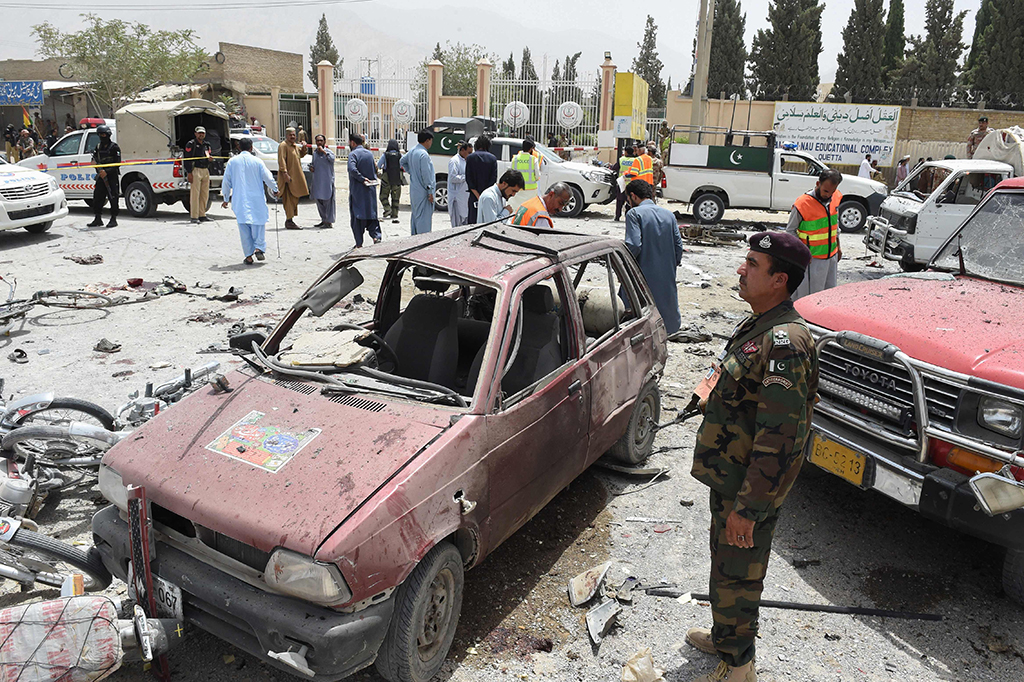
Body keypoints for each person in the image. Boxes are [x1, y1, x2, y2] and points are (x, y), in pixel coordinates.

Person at [687, 230, 817, 682]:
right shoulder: (760, 323)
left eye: (752, 265)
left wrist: (749, 508)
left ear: (779, 279)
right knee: (725, 564)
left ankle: (739, 665)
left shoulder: (785, 343)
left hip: (747, 487)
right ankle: (726, 635)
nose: (741, 270)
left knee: (738, 573)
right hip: (731, 477)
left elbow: (781, 438)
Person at [623, 179, 684, 335]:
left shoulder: (634, 214)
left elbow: (634, 245)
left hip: (641, 274)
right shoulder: (669, 215)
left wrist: (623, 266)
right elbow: (678, 247)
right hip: (666, 274)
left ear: (633, 196)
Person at [785, 168, 842, 300]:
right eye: (826, 191)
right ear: (818, 184)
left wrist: (838, 247)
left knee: (828, 294)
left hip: (831, 257)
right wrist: (802, 253)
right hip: (812, 260)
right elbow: (790, 231)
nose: (828, 195)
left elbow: (835, 224)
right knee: (809, 297)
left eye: (832, 192)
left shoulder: (836, 197)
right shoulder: (802, 204)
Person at [221, 136, 278, 264]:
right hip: (256, 199)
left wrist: (225, 198)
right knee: (258, 224)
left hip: (240, 200)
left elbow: (226, 181)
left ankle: (248, 256)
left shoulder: (232, 162)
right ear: (251, 147)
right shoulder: (257, 161)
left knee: (244, 227)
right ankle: (259, 248)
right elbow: (268, 177)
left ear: (239, 147)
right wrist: (275, 189)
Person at [347, 132, 382, 246]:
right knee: (371, 215)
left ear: (352, 143)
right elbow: (375, 170)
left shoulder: (353, 155)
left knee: (357, 217)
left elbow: (352, 169)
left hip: (358, 192)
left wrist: (362, 179)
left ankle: (359, 243)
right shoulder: (369, 154)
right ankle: (376, 237)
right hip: (370, 191)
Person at [400, 129, 436, 235]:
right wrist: (430, 191)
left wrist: (411, 171)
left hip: (415, 190)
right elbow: (426, 175)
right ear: (427, 140)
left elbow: (402, 161)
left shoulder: (412, 151)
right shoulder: (423, 155)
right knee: (424, 219)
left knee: (416, 216)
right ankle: (422, 243)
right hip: (423, 192)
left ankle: (414, 240)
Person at [87, 124, 120, 228]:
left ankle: (113, 219)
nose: (102, 136)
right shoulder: (98, 147)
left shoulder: (114, 147)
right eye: (100, 134)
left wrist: (107, 171)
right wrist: (95, 166)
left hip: (111, 176)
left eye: (104, 134)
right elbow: (95, 160)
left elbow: (117, 164)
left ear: (108, 134)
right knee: (97, 197)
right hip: (101, 176)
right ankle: (98, 218)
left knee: (113, 197)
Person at [277, 127, 309, 229]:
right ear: (286, 135)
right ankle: (289, 221)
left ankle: (290, 219)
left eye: (294, 135)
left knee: (295, 197)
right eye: (290, 135)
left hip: (296, 176)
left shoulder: (294, 146)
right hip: (288, 177)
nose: (292, 137)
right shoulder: (283, 145)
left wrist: (304, 148)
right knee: (289, 199)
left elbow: (301, 154)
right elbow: (281, 160)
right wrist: (285, 173)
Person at [465, 135, 497, 223]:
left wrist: (478, 196)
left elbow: (469, 179)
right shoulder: (493, 159)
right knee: (487, 221)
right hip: (488, 196)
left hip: (474, 196)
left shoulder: (470, 158)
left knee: (472, 221)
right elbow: (493, 179)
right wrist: (484, 196)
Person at [184, 126, 213, 224]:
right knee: (195, 195)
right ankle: (194, 216)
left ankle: (202, 214)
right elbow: (186, 159)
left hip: (205, 170)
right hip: (195, 170)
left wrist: (210, 160)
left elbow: (208, 154)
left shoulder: (206, 144)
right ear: (195, 134)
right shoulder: (191, 144)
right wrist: (189, 172)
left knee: (204, 194)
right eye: (199, 133)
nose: (201, 135)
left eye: (203, 133)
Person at [309, 134, 336, 229]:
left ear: (324, 142)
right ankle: (323, 220)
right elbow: (313, 164)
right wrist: (311, 168)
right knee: (319, 201)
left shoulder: (329, 152)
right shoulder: (315, 153)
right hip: (317, 182)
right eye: (317, 141)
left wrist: (324, 152)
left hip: (327, 182)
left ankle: (329, 222)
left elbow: (332, 159)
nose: (319, 142)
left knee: (328, 202)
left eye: (321, 141)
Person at [510, 138, 541, 211]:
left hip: (517, 189)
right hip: (531, 190)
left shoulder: (515, 158)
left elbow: (511, 173)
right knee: (528, 209)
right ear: (530, 149)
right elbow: (537, 176)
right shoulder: (533, 159)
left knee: (517, 209)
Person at [378, 139, 403, 224]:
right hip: (397, 177)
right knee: (395, 197)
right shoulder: (400, 155)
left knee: (383, 196)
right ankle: (394, 214)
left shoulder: (385, 155)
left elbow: (378, 165)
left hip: (386, 177)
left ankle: (387, 209)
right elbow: (404, 165)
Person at [447, 141, 471, 226]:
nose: (470, 154)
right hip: (456, 197)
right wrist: (466, 177)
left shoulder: (466, 161)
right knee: (456, 223)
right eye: (469, 152)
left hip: (464, 196)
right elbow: (453, 178)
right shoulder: (454, 161)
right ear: (462, 150)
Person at [615, 145, 638, 221]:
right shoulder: (635, 160)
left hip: (622, 183)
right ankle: (628, 216)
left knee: (619, 201)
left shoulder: (621, 159)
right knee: (630, 201)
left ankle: (617, 216)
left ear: (626, 152)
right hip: (631, 184)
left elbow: (614, 168)